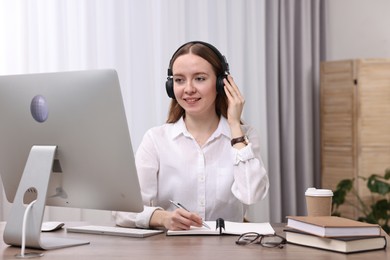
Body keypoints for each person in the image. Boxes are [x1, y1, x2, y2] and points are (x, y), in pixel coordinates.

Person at [114, 41, 269, 231]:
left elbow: (251, 195)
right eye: (179, 80)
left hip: (228, 250)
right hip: (170, 250)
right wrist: (163, 217)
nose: (188, 89)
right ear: (171, 86)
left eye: (200, 78)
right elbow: (123, 211)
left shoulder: (245, 137)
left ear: (222, 83)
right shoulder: (156, 139)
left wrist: (235, 126)